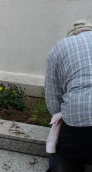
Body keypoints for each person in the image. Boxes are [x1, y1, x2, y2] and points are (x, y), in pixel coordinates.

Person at [45, 19, 92, 172]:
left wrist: (61, 117)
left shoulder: (59, 47)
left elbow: (53, 98)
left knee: (67, 158)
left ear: (71, 35)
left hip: (79, 115)